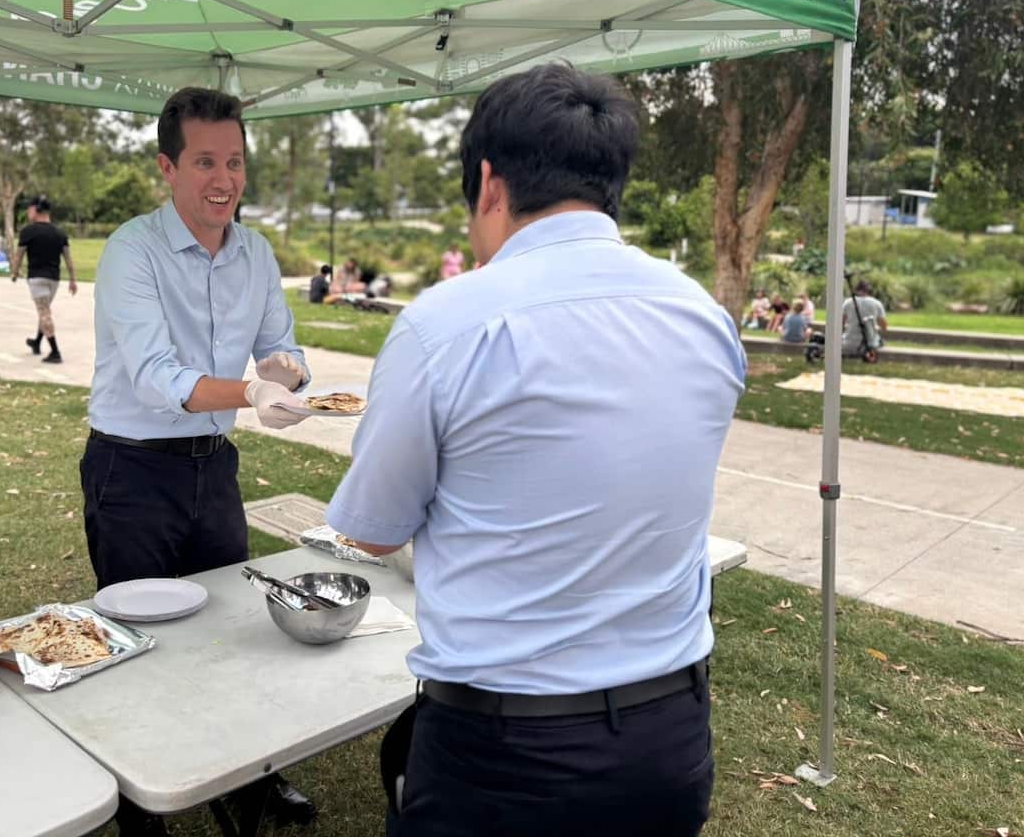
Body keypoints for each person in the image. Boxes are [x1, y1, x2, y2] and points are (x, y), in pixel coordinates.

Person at [325, 63, 745, 837]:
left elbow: (373, 531)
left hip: (505, 752)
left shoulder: (445, 325)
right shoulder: (702, 315)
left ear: (488, 183)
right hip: (669, 736)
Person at [82, 86, 317, 834]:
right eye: (206, 162)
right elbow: (157, 375)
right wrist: (250, 389)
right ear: (168, 167)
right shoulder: (133, 250)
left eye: (236, 162)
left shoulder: (256, 253)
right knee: (136, 636)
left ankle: (247, 781)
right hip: (132, 469)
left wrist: (286, 372)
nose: (225, 180)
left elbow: (284, 348)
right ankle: (139, 807)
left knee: (232, 626)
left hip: (213, 466)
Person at [10, 197, 77, 364]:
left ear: (36, 210)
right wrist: (72, 280)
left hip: (37, 278)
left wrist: (14, 272)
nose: (28, 213)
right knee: (44, 311)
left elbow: (18, 255)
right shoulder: (60, 233)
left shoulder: (28, 231)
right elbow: (68, 259)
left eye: (30, 210)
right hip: (54, 280)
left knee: (44, 313)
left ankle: (55, 352)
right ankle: (37, 342)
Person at [843, 279, 887, 355]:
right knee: (880, 340)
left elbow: (841, 323)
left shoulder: (847, 302)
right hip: (870, 343)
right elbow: (884, 326)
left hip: (848, 342)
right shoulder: (876, 303)